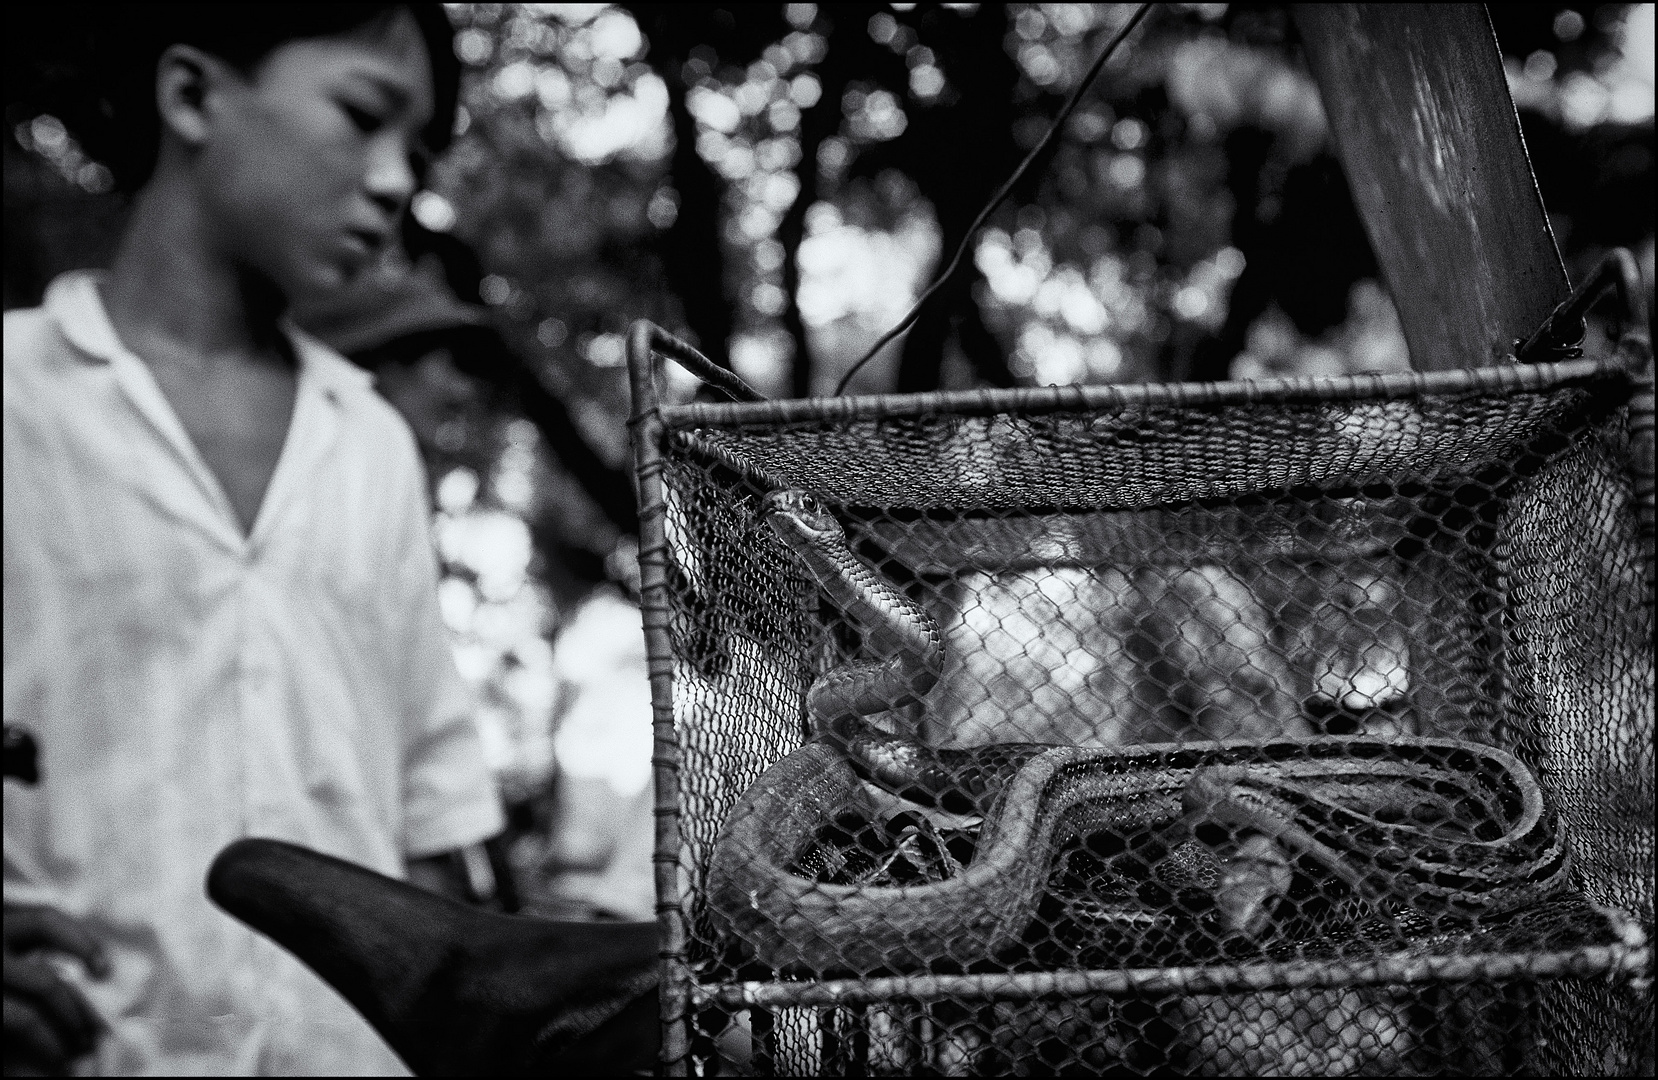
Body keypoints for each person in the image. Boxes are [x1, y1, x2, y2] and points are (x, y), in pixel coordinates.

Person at [3, 7, 513, 1073]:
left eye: (413, 155)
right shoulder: (14, 401)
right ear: (193, 95)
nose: (391, 183)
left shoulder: (371, 445)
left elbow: (429, 819)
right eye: (362, 116)